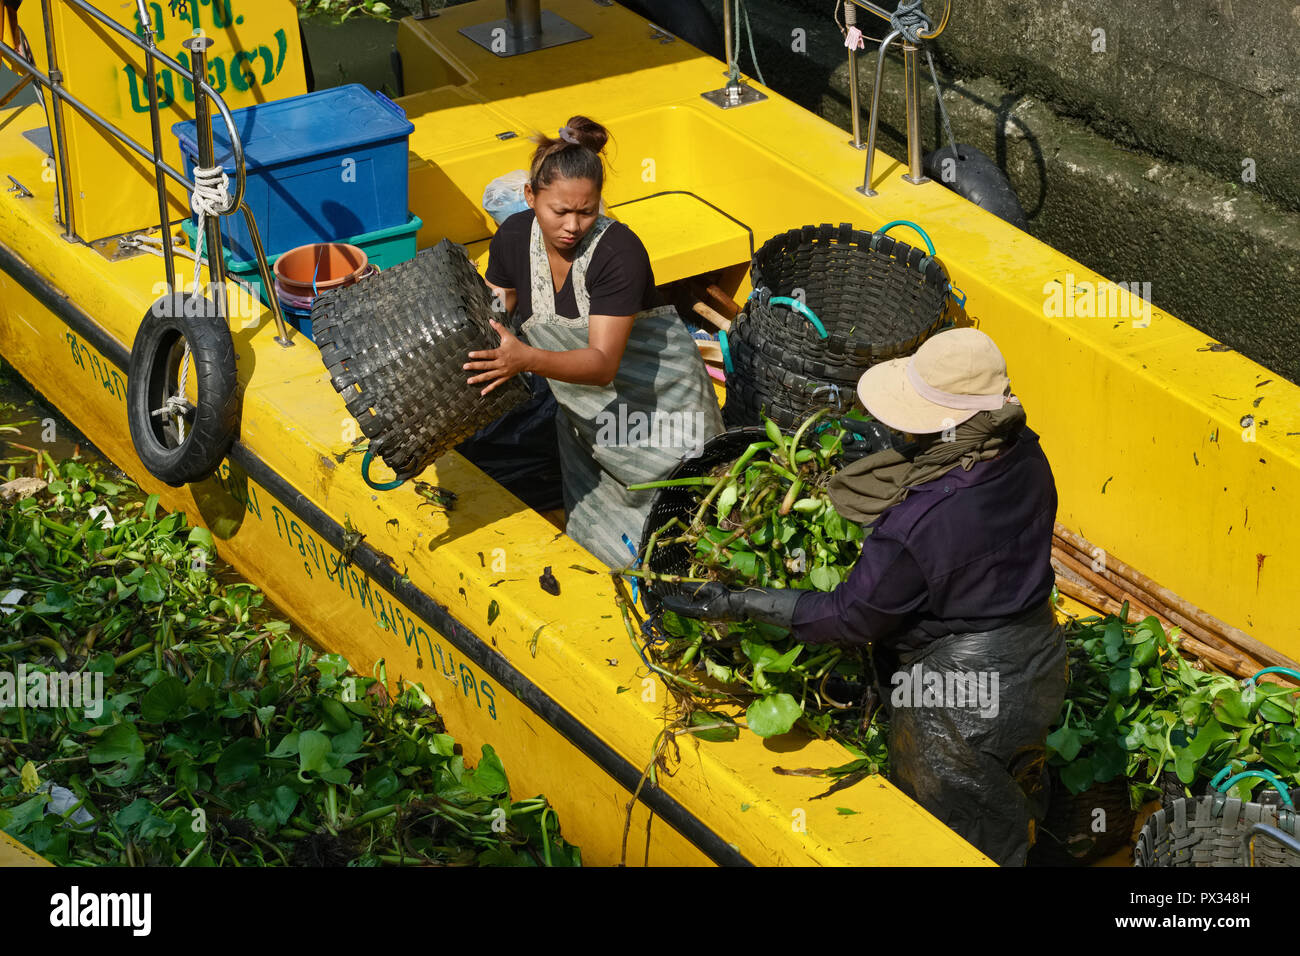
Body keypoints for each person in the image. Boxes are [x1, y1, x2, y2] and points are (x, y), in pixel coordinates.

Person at [661, 327, 1067, 866]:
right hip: (1037, 659)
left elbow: (850, 616)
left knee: (954, 837)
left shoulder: (917, 522)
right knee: (1010, 793)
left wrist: (740, 602)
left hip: (960, 700)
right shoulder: (1022, 450)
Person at [466, 115, 724, 569]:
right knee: (602, 542)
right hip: (590, 422)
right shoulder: (511, 238)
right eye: (559, 211)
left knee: (691, 527)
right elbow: (496, 310)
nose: (572, 225)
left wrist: (524, 358)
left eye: (586, 212)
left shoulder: (618, 252)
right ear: (531, 196)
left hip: (662, 407)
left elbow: (603, 363)